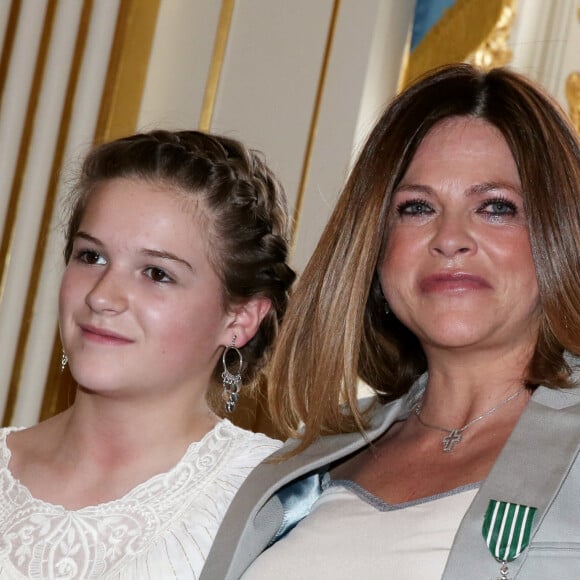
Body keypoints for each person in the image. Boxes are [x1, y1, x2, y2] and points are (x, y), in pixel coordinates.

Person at [200, 63, 580, 580]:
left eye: (495, 207)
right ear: (376, 248)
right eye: (417, 207)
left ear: (561, 234)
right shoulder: (304, 462)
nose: (450, 238)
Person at [0, 130, 295, 579]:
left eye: (156, 273)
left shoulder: (273, 501)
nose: (102, 296)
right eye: (91, 257)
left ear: (240, 319)